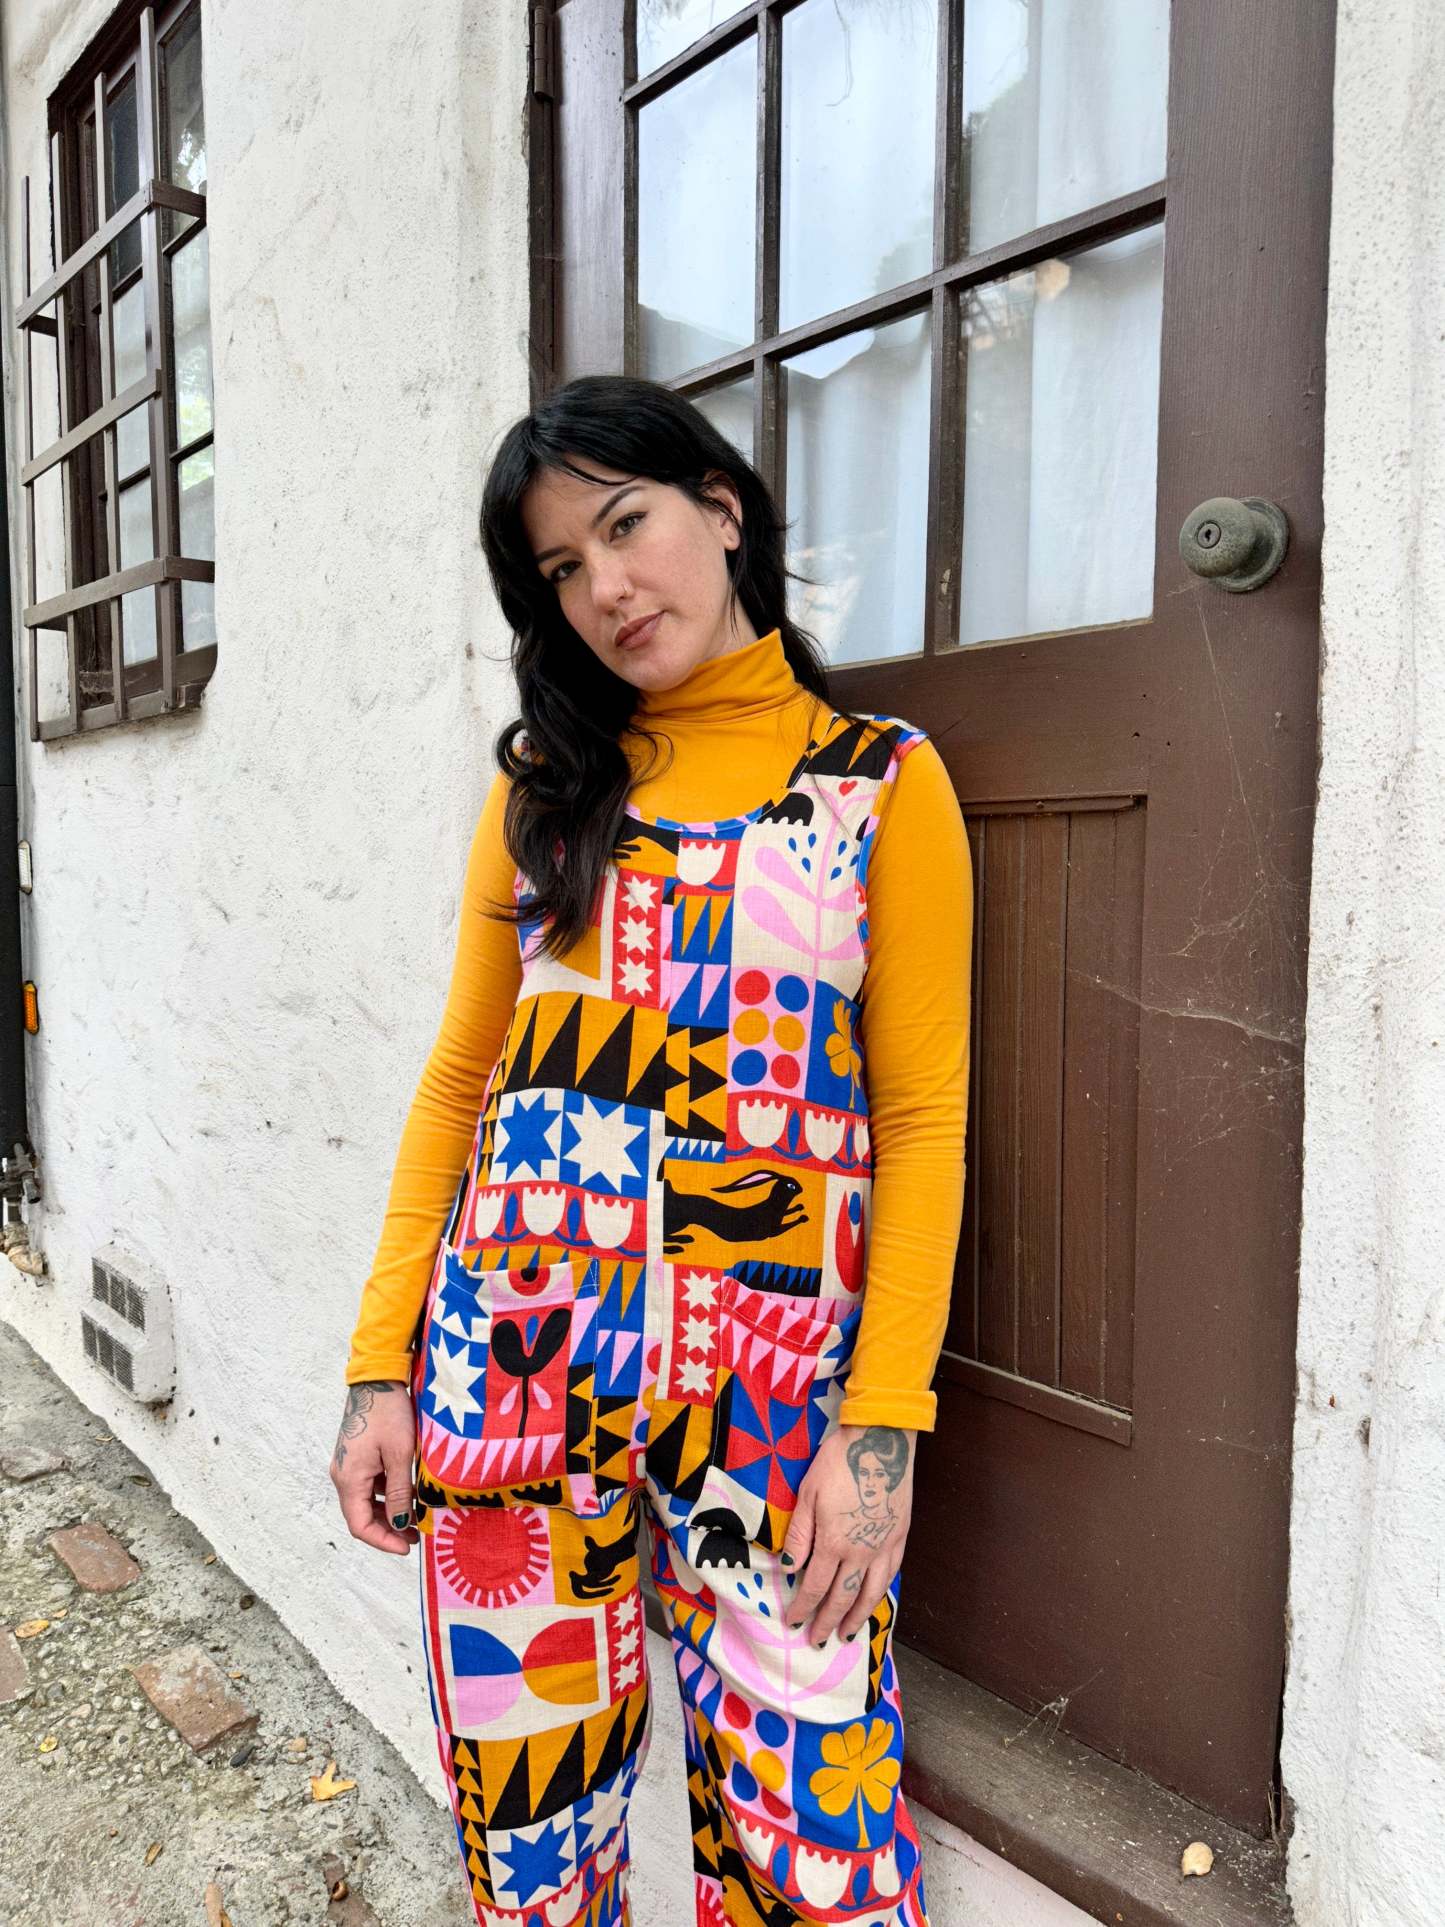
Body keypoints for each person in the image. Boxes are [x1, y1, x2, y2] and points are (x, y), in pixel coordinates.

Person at [332, 374, 973, 1927]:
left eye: (624, 526)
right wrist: (376, 1369)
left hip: (769, 1417)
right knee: (534, 1856)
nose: (605, 587)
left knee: (815, 1860)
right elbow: (460, 1081)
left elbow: (921, 1120)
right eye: (561, 567)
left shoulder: (877, 784)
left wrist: (880, 1434)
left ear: (722, 509)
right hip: (509, 1394)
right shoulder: (545, 795)